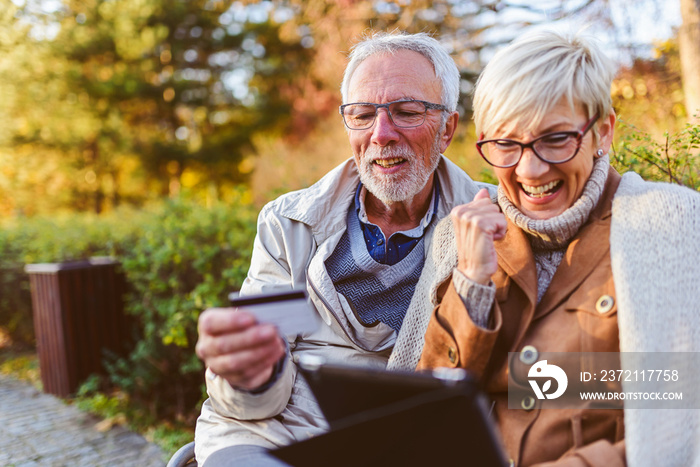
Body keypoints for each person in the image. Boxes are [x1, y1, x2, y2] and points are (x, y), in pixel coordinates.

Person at [390, 30, 700, 466]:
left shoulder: (670, 223)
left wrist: (514, 378)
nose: (530, 169)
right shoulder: (458, 236)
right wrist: (472, 285)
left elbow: (680, 408)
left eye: (555, 139)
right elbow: (420, 410)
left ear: (603, 132)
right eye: (505, 144)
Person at [194, 31, 492, 466]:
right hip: (276, 436)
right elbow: (255, 395)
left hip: (404, 441)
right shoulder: (289, 223)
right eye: (362, 115)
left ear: (447, 128)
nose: (381, 134)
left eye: (406, 112)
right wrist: (252, 375)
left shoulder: (489, 220)